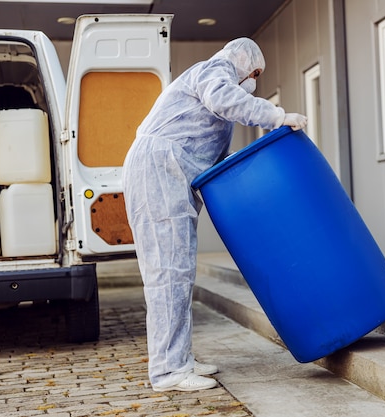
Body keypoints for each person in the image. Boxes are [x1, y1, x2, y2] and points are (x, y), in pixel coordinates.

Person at [122, 37, 307, 392]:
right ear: (243, 61)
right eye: (255, 73)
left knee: (179, 271)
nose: (254, 82)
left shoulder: (219, 100)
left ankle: (179, 359)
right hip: (158, 170)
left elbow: (217, 162)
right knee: (168, 272)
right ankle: (167, 372)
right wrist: (277, 116)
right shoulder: (215, 72)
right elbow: (226, 99)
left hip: (169, 174)